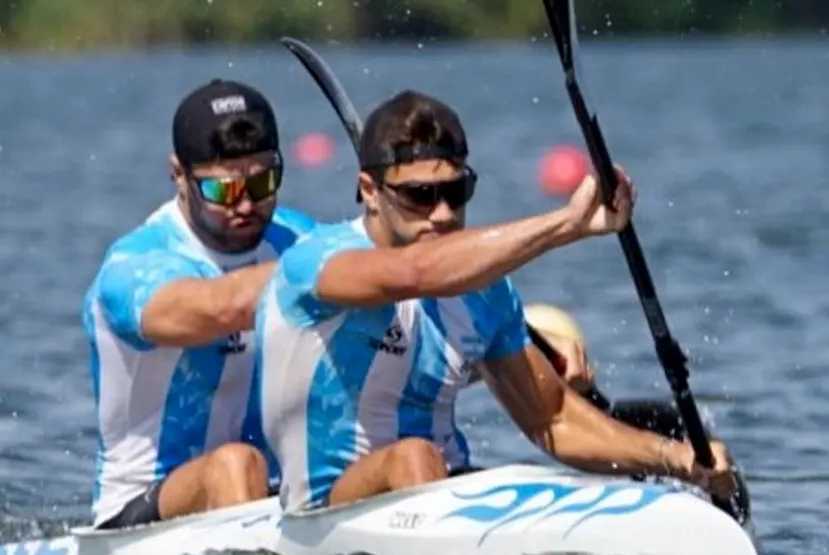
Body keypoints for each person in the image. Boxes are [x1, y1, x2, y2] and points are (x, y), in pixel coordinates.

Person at [255, 89, 737, 513]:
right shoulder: (317, 263)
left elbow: (554, 419)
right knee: (413, 455)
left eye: (455, 191)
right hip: (322, 515)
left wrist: (676, 458)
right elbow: (417, 274)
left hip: (442, 491)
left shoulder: (484, 291)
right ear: (369, 191)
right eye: (420, 196)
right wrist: (567, 225)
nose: (442, 214)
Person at [81, 79, 317, 530]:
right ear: (178, 175)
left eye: (264, 181)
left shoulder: (298, 239)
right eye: (223, 191)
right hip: (137, 521)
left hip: (274, 497)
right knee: (234, 465)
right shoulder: (136, 265)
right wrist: (335, 271)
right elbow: (217, 309)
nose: (246, 204)